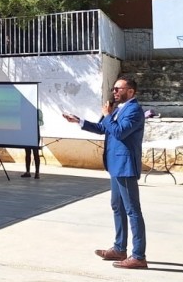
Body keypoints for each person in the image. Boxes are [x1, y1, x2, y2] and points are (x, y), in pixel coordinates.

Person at [63, 76, 148, 269]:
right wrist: (79, 121)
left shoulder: (134, 110)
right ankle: (119, 248)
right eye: (114, 89)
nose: (115, 92)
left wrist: (108, 115)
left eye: (119, 89)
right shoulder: (119, 109)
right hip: (115, 165)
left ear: (131, 92)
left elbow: (120, 132)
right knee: (117, 206)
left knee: (132, 210)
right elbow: (104, 128)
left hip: (125, 166)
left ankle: (139, 256)